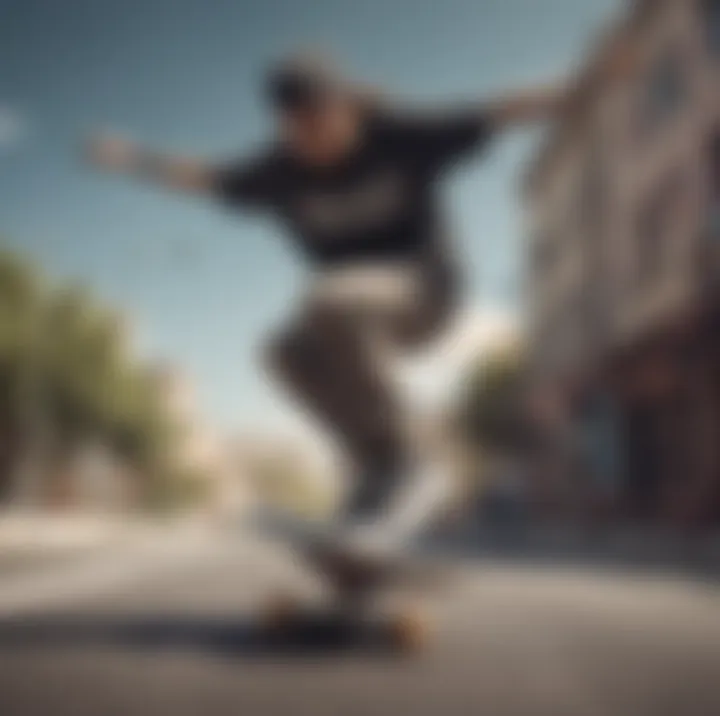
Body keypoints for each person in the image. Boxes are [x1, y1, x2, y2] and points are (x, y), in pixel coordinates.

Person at [86, 53, 569, 534]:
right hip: (348, 319)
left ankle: (418, 455)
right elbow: (208, 178)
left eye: (322, 123)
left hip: (427, 294)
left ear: (347, 109)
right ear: (285, 127)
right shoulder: (280, 170)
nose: (313, 141)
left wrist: (588, 80)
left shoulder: (398, 137)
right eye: (299, 130)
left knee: (332, 296)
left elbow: (500, 111)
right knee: (284, 352)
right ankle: (375, 465)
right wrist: (135, 159)